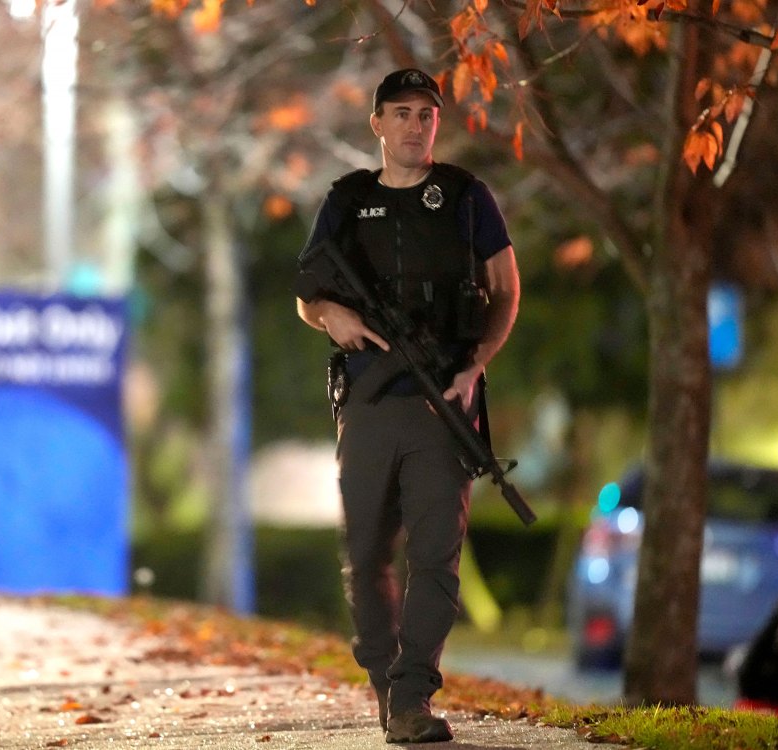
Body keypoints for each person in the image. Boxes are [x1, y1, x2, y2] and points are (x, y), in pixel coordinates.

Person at [294, 68, 521, 743]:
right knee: (365, 555)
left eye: (426, 114)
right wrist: (328, 312)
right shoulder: (346, 200)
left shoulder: (465, 197)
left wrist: (476, 365)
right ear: (377, 124)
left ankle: (414, 695)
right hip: (367, 404)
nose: (415, 126)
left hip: (442, 403)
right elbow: (308, 293)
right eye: (401, 113)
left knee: (435, 556)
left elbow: (506, 290)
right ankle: (386, 685)